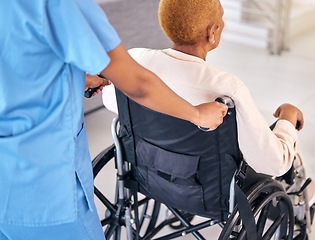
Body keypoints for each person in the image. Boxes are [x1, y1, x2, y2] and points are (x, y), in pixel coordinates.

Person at [0, 0, 227, 239]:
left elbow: (19, 68)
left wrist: (72, 78)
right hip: (41, 190)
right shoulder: (59, 5)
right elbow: (138, 85)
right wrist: (197, 114)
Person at [102, 0, 315, 201]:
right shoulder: (227, 88)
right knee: (280, 144)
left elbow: (111, 101)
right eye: (221, 18)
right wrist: (288, 117)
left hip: (150, 172)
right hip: (208, 189)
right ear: (212, 32)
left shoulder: (135, 61)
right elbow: (274, 162)